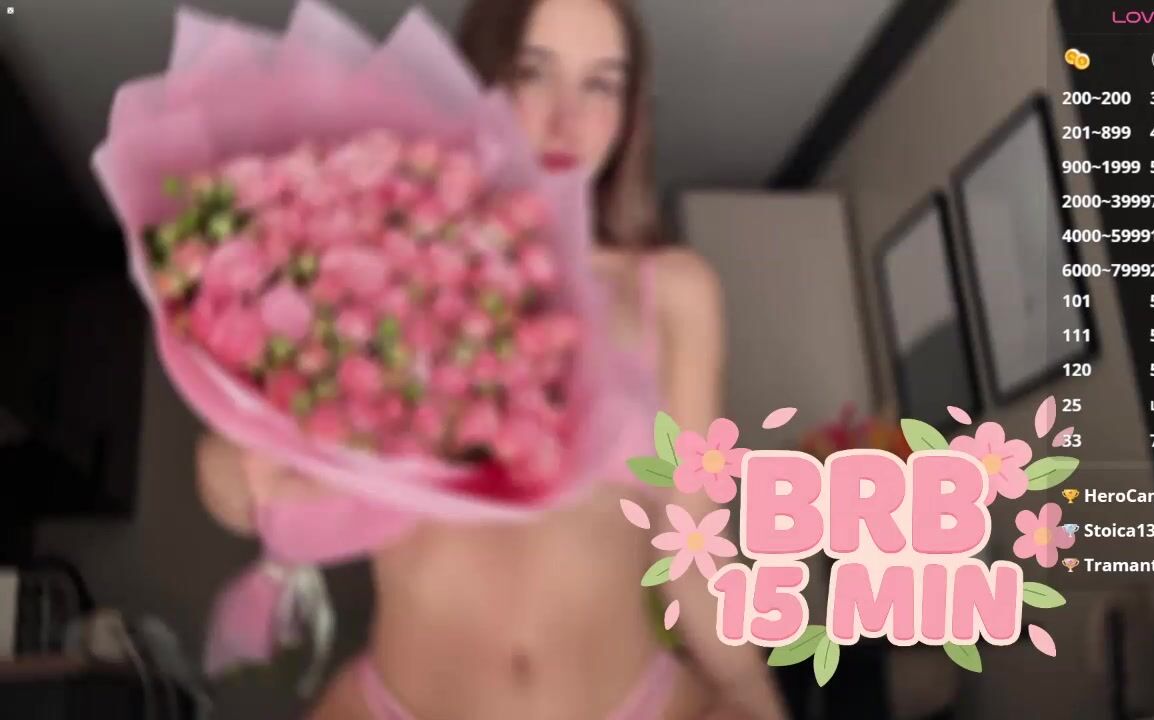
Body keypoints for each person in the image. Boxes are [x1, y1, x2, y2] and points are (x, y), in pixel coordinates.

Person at [195, 0, 790, 717]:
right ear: (479, 81)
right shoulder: (380, 262)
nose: (568, 118)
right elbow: (234, 486)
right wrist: (248, 461)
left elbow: (693, 546)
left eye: (601, 84)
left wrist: (750, 692)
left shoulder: (675, 292)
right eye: (534, 73)